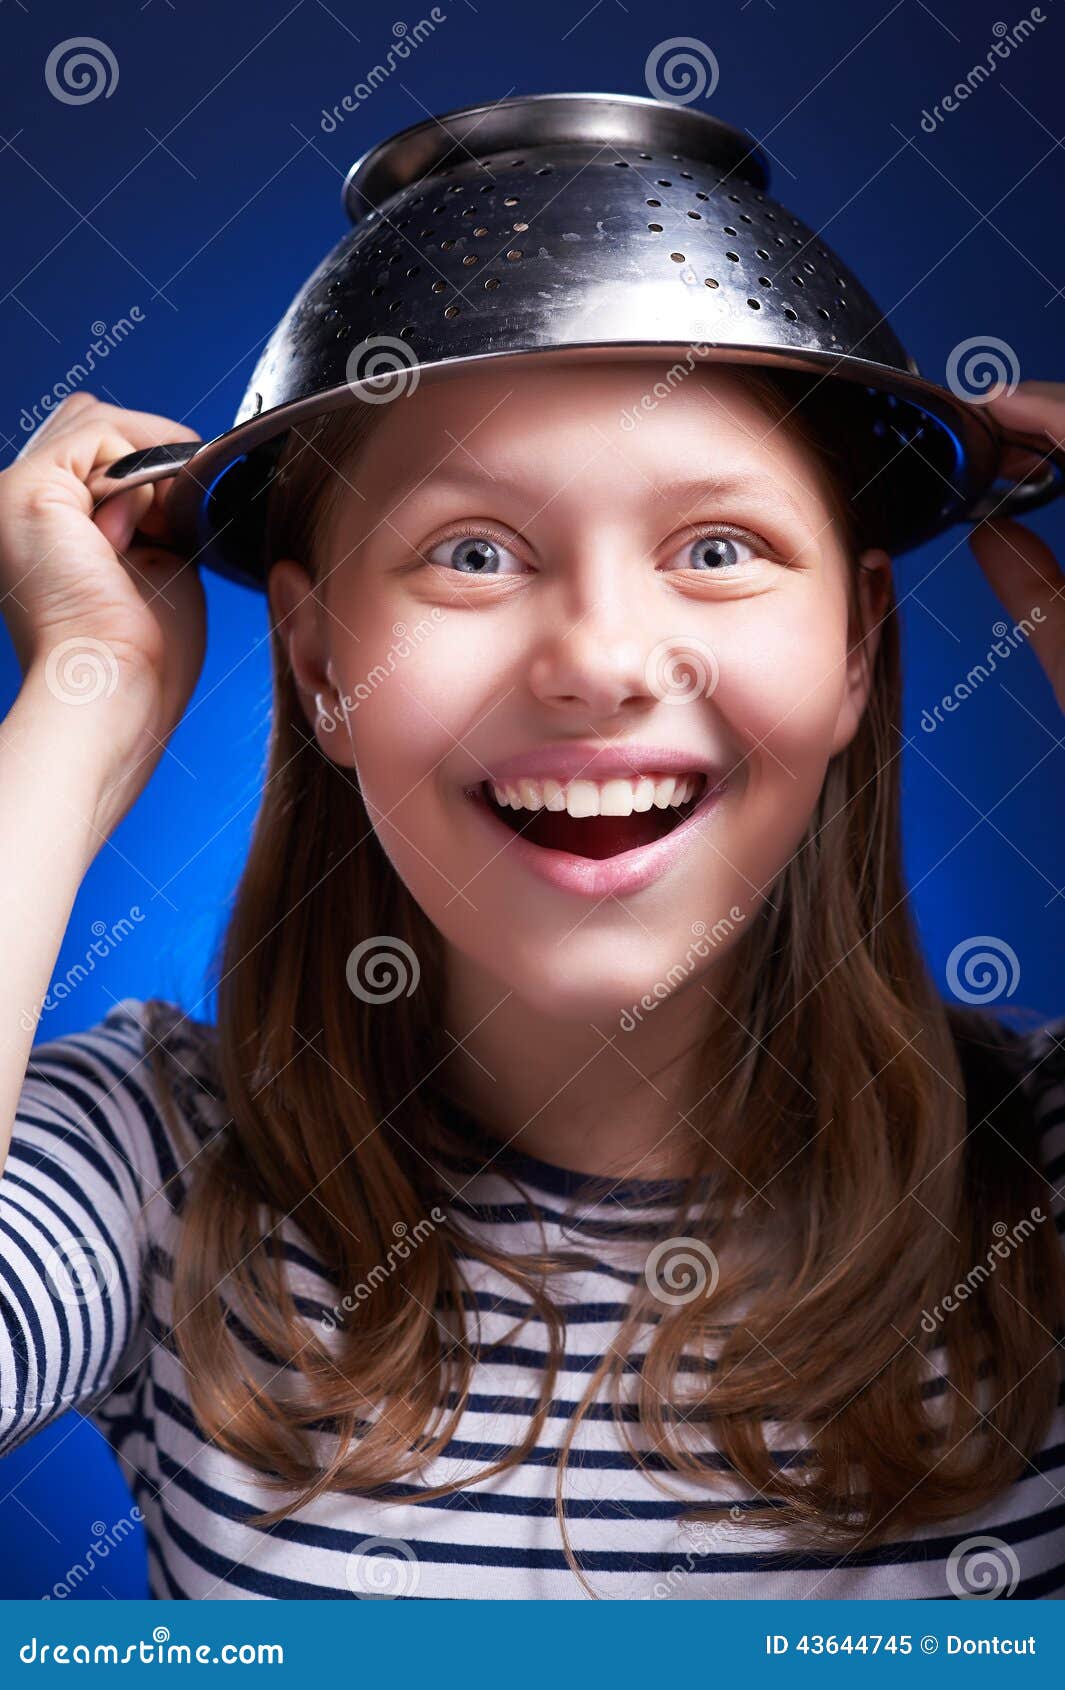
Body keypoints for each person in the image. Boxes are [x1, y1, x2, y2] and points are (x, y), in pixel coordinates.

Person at [0, 360, 1063, 1600]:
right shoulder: (157, 1158)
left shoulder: (1038, 1158)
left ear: (855, 647)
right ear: (315, 665)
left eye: (718, 547)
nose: (600, 662)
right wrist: (84, 697)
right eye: (475, 553)